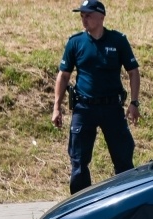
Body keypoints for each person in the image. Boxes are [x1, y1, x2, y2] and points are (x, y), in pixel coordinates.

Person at [51, 0, 141, 194]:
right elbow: (64, 75)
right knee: (79, 162)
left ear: (101, 16)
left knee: (123, 158)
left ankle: (126, 201)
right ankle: (80, 207)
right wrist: (56, 106)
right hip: (84, 109)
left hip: (112, 108)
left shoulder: (117, 41)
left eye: (88, 15)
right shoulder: (75, 42)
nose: (84, 19)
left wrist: (134, 103)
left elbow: (133, 71)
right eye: (82, 15)